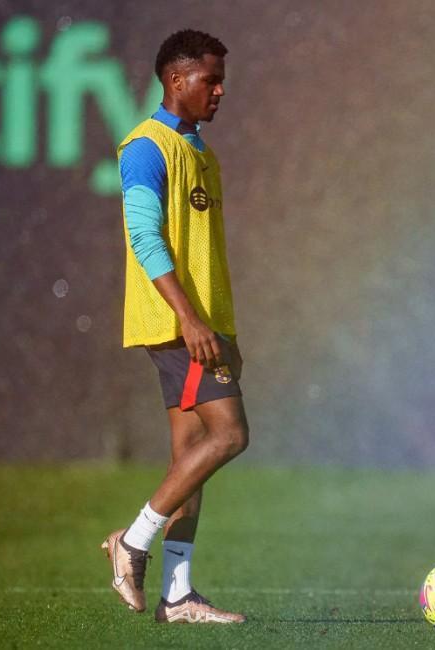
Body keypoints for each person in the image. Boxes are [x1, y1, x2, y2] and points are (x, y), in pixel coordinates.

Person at [102, 29, 248, 625]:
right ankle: (131, 542)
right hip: (177, 325)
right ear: (175, 81)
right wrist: (190, 319)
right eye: (209, 80)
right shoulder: (145, 147)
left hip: (204, 324)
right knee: (230, 436)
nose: (220, 90)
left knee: (192, 454)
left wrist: (216, 324)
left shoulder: (199, 151)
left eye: (222, 79)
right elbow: (144, 237)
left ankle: (178, 594)